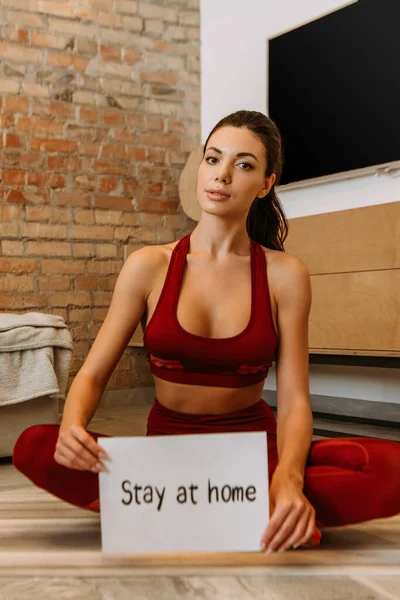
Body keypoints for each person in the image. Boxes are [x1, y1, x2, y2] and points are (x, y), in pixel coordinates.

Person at [13, 110, 400, 555]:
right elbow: (93, 375)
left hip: (254, 455)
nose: (222, 175)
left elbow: (294, 401)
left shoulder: (285, 274)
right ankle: (236, 511)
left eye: (244, 164)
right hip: (167, 455)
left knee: (389, 468)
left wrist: (288, 476)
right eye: (213, 159)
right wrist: (72, 427)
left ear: (266, 183)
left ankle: (176, 508)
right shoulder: (149, 266)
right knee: (36, 445)